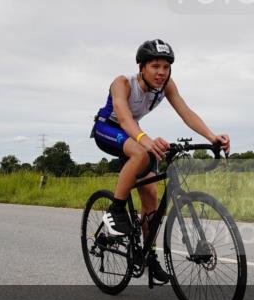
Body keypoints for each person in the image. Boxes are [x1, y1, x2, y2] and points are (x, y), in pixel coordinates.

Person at [90, 39, 230, 283]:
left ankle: (148, 256)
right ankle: (116, 210)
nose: (161, 72)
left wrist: (211, 136)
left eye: (166, 67)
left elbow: (186, 113)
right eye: (155, 66)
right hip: (108, 129)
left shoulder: (166, 86)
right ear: (141, 67)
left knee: (151, 196)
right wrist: (146, 140)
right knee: (142, 152)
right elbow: (123, 119)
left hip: (133, 133)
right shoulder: (122, 83)